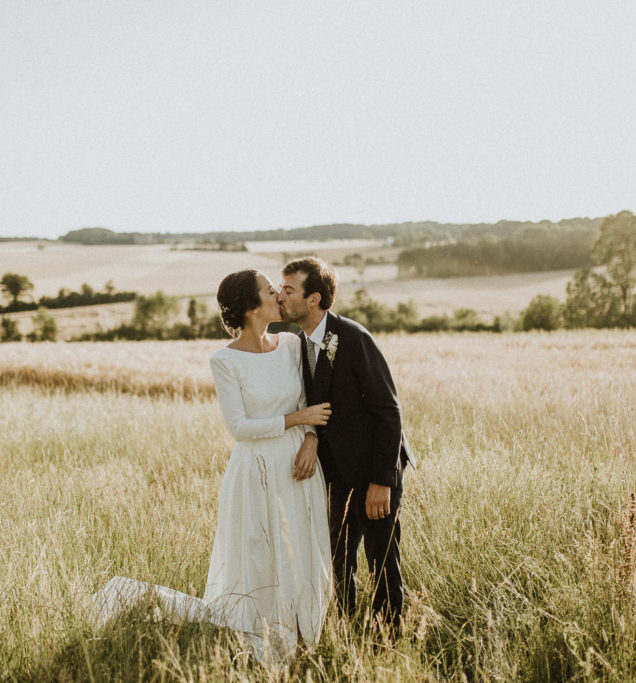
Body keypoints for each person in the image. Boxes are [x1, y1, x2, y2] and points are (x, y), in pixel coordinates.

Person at [91, 269, 332, 664]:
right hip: (254, 470)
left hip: (298, 465)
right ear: (253, 307)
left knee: (301, 553)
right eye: (271, 291)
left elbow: (313, 399)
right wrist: (296, 420)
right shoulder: (224, 360)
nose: (279, 296)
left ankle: (307, 637)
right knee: (258, 557)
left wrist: (311, 438)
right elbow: (239, 427)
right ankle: (263, 634)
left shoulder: (292, 344)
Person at [277, 257, 412, 636]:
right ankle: (348, 637)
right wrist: (310, 437)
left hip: (375, 470)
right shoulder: (298, 345)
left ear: (314, 298)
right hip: (336, 475)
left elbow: (389, 411)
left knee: (383, 564)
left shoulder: (353, 338)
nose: (280, 296)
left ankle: (388, 643)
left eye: (289, 290)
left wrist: (382, 481)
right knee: (338, 562)